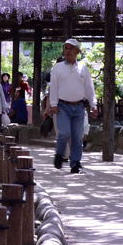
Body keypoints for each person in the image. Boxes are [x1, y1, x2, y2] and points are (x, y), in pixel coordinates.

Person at [46, 39, 96, 174]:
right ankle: (59, 154)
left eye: (70, 48)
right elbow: (54, 87)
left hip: (79, 106)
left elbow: (89, 88)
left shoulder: (83, 68)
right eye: (65, 48)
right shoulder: (57, 67)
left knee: (77, 137)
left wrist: (93, 105)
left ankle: (75, 164)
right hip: (63, 106)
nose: (67, 51)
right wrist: (53, 104)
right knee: (64, 133)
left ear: (77, 52)